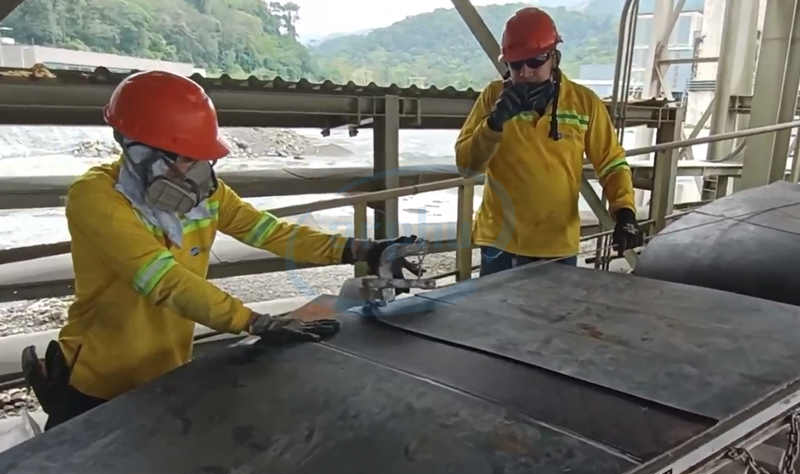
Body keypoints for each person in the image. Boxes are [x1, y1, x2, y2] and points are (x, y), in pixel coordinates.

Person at [21, 70, 420, 431]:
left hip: (167, 371)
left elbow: (270, 232)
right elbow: (165, 281)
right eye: (190, 158)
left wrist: (361, 249)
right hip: (97, 383)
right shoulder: (96, 197)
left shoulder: (202, 195)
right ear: (142, 154)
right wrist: (254, 322)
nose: (201, 174)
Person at [455, 7, 645, 277]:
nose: (526, 72)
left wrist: (624, 212)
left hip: (556, 245)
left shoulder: (584, 103)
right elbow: (466, 166)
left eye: (535, 61)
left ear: (554, 57)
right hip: (499, 242)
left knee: (553, 319)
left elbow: (611, 162)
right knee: (495, 319)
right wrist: (494, 124)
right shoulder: (492, 98)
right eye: (516, 64)